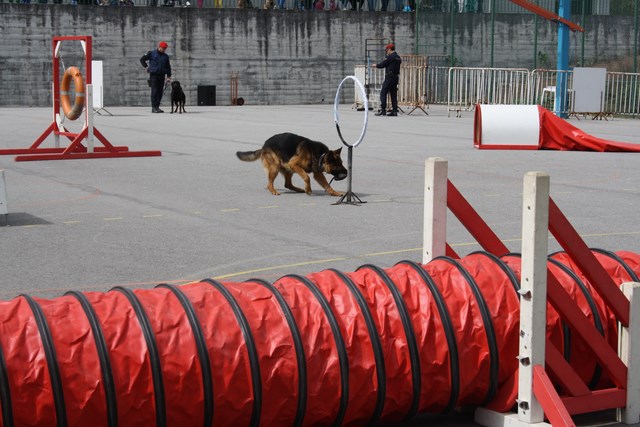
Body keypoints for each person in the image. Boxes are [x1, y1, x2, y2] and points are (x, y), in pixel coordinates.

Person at [140, 41, 172, 114]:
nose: (164, 50)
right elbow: (142, 59)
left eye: (165, 48)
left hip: (162, 76)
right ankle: (153, 108)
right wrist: (146, 67)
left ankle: (157, 107)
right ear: (159, 47)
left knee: (160, 92)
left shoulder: (166, 56)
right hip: (154, 76)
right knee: (154, 92)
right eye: (163, 48)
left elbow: (168, 67)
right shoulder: (151, 53)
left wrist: (168, 76)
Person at [375, 43, 401, 116]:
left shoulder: (390, 57)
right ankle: (395, 111)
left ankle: (383, 110)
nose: (386, 52)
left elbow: (383, 64)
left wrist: (376, 65)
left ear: (389, 49)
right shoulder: (398, 57)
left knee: (383, 93)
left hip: (389, 77)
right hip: (395, 77)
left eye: (387, 51)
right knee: (393, 94)